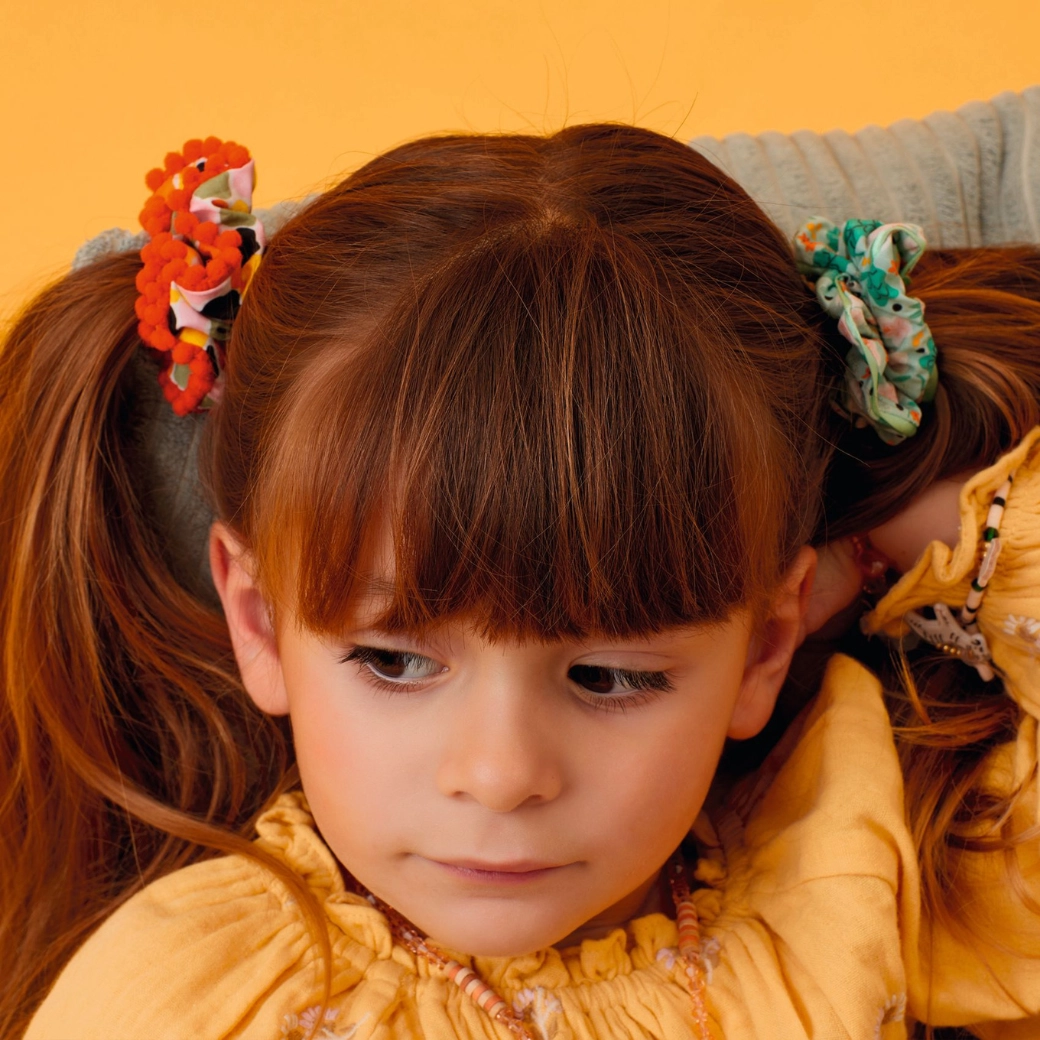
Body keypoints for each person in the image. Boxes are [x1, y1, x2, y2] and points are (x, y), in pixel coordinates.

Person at [2, 128, 1039, 1040]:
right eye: (394, 661)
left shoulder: (854, 867)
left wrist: (886, 519)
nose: (500, 775)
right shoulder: (193, 995)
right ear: (261, 621)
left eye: (610, 675)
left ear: (765, 646)